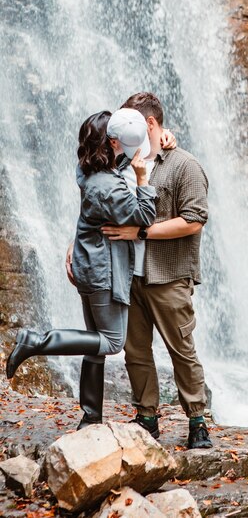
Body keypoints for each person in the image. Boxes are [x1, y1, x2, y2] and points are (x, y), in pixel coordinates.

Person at [6, 110, 157, 430]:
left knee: (94, 343)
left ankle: (91, 417)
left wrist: (158, 141)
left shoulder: (89, 168)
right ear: (110, 142)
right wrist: (143, 179)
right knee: (112, 342)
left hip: (89, 264)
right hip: (104, 271)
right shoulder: (109, 187)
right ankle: (36, 341)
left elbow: (118, 165)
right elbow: (144, 216)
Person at [101, 92, 212, 449]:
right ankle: (147, 418)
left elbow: (194, 221)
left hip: (168, 275)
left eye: (134, 122)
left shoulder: (184, 165)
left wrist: (142, 232)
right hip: (127, 275)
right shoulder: (122, 163)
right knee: (135, 352)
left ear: (150, 123)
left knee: (181, 348)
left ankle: (197, 421)